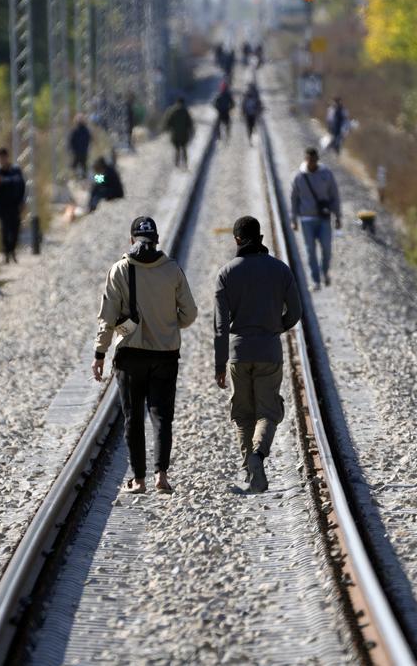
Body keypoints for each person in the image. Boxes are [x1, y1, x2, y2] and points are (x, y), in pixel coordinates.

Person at [93, 216, 198, 494]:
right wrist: (168, 323)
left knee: (133, 418)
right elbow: (190, 314)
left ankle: (138, 480)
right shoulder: (172, 270)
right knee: (162, 416)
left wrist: (100, 353)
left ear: (131, 240)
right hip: (165, 354)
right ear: (157, 241)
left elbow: (107, 318)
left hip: (130, 356)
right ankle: (161, 477)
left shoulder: (119, 270)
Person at [214, 216, 301, 493]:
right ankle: (257, 456)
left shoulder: (226, 273)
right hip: (269, 351)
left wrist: (219, 364)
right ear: (260, 236)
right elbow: (296, 312)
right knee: (268, 412)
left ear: (237, 239)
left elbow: (219, 326)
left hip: (238, 354)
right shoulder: (280, 270)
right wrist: (277, 327)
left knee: (242, 415)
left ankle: (252, 474)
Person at [290, 147, 342, 289]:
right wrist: (293, 219)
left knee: (326, 248)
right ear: (305, 159)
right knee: (310, 250)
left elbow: (334, 196)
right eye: (308, 159)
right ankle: (315, 280)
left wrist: (338, 216)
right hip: (306, 220)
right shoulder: (298, 177)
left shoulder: (326, 174)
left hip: (324, 218)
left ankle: (324, 272)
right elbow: (294, 199)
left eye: (313, 160)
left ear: (317, 160)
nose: (311, 162)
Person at [0, 148, 27, 263]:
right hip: (0, 205)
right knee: (4, 227)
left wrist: (23, 201)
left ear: (7, 158)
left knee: (15, 227)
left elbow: (22, 185)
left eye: (3, 157)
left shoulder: (15, 170)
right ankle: (6, 252)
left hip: (14, 204)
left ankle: (12, 250)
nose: (2, 160)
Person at [162, 97, 194, 169]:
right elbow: (189, 123)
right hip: (184, 134)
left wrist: (167, 129)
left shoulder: (172, 111)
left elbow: (168, 122)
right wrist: (191, 131)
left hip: (175, 135)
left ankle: (177, 163)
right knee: (184, 149)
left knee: (177, 149)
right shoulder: (185, 111)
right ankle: (185, 163)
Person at [69, 115, 92, 179]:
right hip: (83, 151)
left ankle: (76, 178)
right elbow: (89, 139)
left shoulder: (75, 130)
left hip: (77, 152)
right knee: (83, 166)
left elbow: (71, 141)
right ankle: (83, 178)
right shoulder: (86, 130)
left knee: (74, 166)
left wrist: (72, 149)